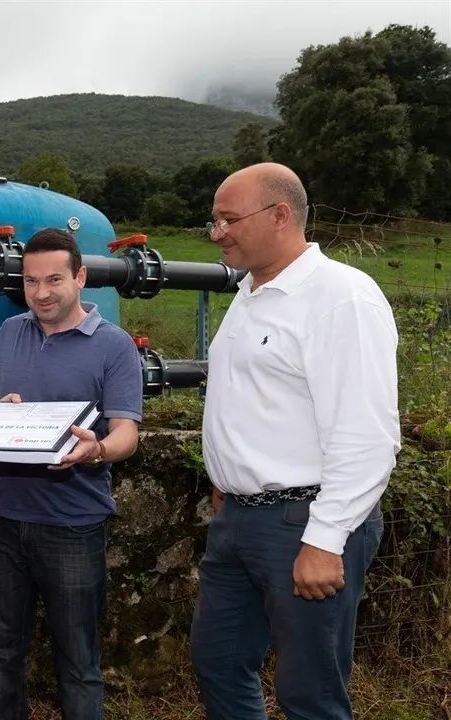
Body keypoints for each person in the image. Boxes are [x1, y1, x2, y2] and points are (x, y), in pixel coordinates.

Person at [192, 163, 400, 719]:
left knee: (309, 694)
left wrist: (326, 539)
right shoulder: (250, 293)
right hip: (239, 518)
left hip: (305, 522)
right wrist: (228, 479)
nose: (217, 233)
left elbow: (367, 434)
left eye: (229, 219)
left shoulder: (341, 297)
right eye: (214, 221)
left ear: (281, 215)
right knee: (218, 663)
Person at [0, 228, 144, 720]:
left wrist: (96, 450)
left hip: (74, 524)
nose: (41, 293)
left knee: (78, 660)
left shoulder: (114, 346)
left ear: (80, 277)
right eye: (31, 282)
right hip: (2, 519)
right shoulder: (9, 333)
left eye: (54, 280)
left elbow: (126, 435)